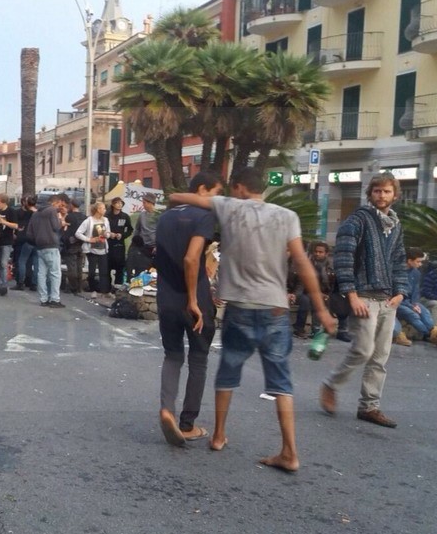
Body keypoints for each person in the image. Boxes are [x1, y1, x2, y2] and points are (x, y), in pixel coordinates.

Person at [172, 167, 336, 473]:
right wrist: (322, 310)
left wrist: (180, 197)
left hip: (240, 308)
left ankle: (218, 436)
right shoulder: (287, 216)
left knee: (227, 373)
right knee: (281, 382)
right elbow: (302, 262)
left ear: (238, 187)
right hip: (275, 309)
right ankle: (289, 452)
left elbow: (182, 197)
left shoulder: (229, 206)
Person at [320, 173, 409, 428]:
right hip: (363, 297)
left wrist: (401, 292)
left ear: (395, 195)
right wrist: (352, 294)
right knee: (363, 350)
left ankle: (369, 407)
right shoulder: (357, 220)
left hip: (387, 299)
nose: (382, 195)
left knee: (380, 356)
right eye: (377, 191)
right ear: (370, 193)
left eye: (387, 191)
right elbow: (343, 258)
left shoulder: (395, 224)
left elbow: (399, 260)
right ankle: (331, 384)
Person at [154, 172, 223, 446]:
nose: (217, 199)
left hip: (165, 297)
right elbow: (191, 258)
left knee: (172, 355)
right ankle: (187, 424)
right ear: (203, 189)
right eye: (216, 193)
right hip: (194, 299)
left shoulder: (165, 217)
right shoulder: (203, 216)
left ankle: (166, 410)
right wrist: (193, 299)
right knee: (198, 358)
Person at [393, 248, 437, 346]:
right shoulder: (397, 271)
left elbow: (416, 291)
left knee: (424, 311)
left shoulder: (416, 273)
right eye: (418, 261)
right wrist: (411, 306)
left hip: (410, 301)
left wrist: (414, 303)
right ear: (409, 260)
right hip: (398, 301)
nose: (420, 264)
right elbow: (396, 293)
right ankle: (431, 335)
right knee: (412, 314)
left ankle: (434, 331)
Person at [32, 192, 68, 308]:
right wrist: (62, 220)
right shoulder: (52, 211)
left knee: (42, 273)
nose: (59, 207)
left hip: (40, 245)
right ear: (55, 202)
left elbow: (30, 231)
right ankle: (54, 299)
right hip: (51, 244)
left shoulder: (36, 213)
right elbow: (56, 227)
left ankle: (43, 298)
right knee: (55, 273)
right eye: (59, 205)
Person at [76, 201, 112, 298]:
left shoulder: (105, 220)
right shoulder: (89, 220)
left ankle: (104, 291)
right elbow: (78, 233)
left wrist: (107, 235)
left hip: (103, 248)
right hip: (92, 249)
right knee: (91, 271)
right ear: (98, 209)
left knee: (104, 271)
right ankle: (93, 289)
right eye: (103, 208)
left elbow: (108, 232)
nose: (105, 210)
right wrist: (89, 239)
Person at [0, 193, 17, 296]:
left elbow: (15, 225)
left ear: (4, 203)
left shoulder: (11, 211)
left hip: (6, 241)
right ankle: (1, 284)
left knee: (3, 263)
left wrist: (3, 222)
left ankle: (4, 285)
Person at [128, 194, 158, 279]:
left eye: (144, 203)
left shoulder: (158, 216)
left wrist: (157, 245)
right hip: (143, 246)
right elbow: (137, 229)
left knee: (152, 270)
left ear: (150, 203)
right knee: (141, 267)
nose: (143, 205)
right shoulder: (142, 215)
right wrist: (134, 241)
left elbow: (162, 232)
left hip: (154, 246)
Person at [106, 197, 133, 289]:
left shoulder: (125, 216)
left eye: (121, 203)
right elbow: (103, 228)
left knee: (120, 265)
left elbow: (130, 230)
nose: (120, 204)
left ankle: (118, 287)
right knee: (107, 265)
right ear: (113, 204)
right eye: (117, 203)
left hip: (120, 244)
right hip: (108, 243)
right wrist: (109, 234)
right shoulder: (107, 216)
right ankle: (107, 287)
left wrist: (122, 235)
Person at [61, 198, 86, 295]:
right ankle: (79, 287)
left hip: (71, 244)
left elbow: (67, 231)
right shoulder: (84, 217)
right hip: (81, 243)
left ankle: (73, 287)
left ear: (72, 205)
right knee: (79, 266)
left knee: (72, 267)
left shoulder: (70, 217)